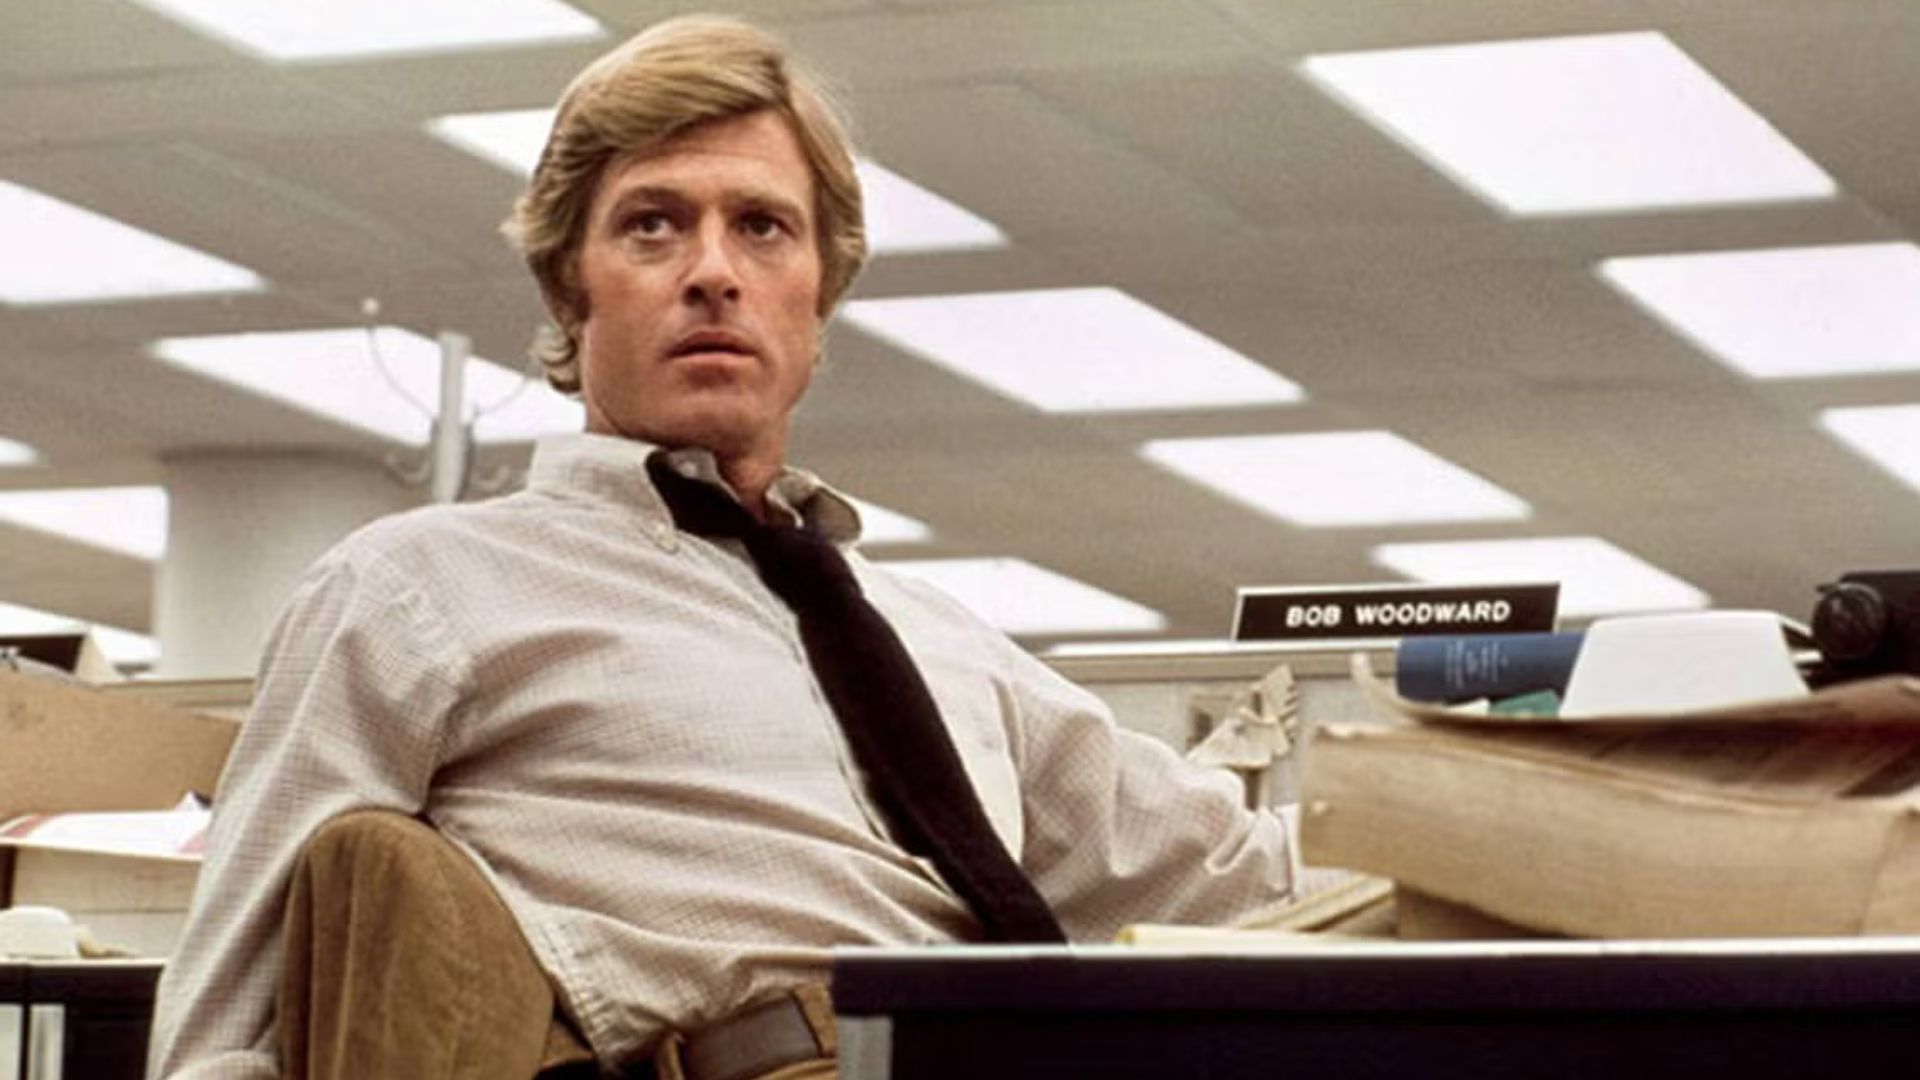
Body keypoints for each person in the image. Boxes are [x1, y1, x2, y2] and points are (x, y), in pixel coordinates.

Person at [147, 14, 1296, 1080]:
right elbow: (226, 1023)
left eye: (761, 226)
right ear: (570, 287)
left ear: (817, 290)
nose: (712, 268)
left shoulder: (941, 646)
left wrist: (1453, 769)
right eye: (653, 224)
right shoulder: (417, 589)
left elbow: (1251, 878)